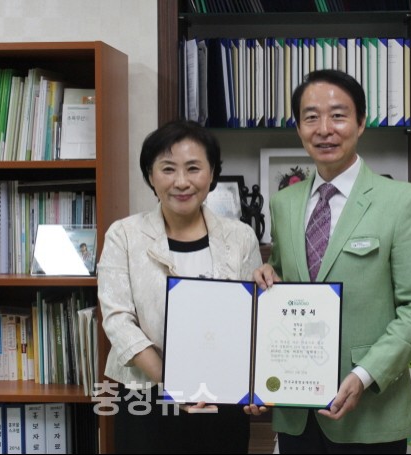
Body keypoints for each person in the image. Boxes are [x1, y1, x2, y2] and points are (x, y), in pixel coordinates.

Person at [248, 69, 411, 454]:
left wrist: (365, 375)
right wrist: (271, 275)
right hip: (296, 411)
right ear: (298, 127)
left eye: (338, 115)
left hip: (371, 413)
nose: (324, 129)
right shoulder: (284, 203)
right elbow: (288, 283)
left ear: (361, 122)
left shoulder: (402, 201)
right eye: (311, 117)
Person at [97, 120, 262, 454]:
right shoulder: (124, 235)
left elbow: (254, 320)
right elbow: (117, 320)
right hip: (147, 398)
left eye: (194, 168)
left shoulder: (240, 237)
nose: (182, 182)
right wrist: (173, 383)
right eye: (168, 169)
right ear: (150, 175)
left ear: (212, 174)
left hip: (222, 397)